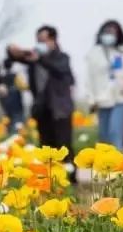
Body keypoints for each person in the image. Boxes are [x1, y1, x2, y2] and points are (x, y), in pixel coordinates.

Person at [8, 25, 76, 170]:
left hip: (60, 108)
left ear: (53, 40)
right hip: (42, 108)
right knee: (46, 146)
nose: (40, 44)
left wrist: (40, 59)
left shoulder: (62, 58)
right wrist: (12, 50)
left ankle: (70, 176)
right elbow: (14, 58)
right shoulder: (33, 58)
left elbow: (59, 69)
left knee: (63, 146)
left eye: (44, 40)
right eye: (38, 40)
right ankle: (48, 177)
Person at [85, 20, 123, 148]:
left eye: (112, 32)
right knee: (104, 135)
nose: (109, 35)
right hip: (101, 98)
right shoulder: (94, 53)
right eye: (106, 32)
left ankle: (117, 164)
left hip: (121, 97)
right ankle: (105, 165)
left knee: (115, 132)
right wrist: (91, 99)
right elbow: (89, 78)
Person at [0, 56, 26, 135]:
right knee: (18, 119)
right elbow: (23, 86)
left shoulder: (1, 77)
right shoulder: (16, 75)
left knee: (8, 120)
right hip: (16, 101)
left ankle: (9, 136)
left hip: (6, 103)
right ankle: (18, 136)